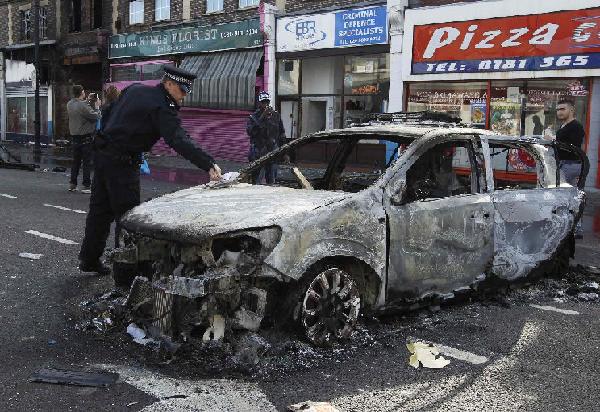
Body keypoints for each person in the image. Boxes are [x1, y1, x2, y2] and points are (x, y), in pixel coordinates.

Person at [78, 65, 222, 275]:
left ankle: (89, 259)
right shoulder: (162, 106)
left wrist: (109, 136)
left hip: (102, 156)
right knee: (128, 220)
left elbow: (108, 111)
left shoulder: (135, 89)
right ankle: (126, 275)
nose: (183, 96)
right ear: (169, 83)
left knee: (99, 212)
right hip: (122, 163)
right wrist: (208, 163)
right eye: (182, 90)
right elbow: (178, 139)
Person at [246, 91, 286, 184]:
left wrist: (284, 152)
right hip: (258, 152)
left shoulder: (276, 115)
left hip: (272, 151)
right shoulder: (253, 117)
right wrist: (262, 118)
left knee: (272, 179)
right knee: (256, 180)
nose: (265, 104)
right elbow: (250, 132)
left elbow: (282, 133)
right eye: (263, 102)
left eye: (267, 102)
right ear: (259, 103)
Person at [67, 85, 101, 193]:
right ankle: (86, 185)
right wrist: (97, 106)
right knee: (87, 162)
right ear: (82, 92)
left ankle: (72, 184)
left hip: (74, 137)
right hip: (85, 137)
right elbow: (96, 116)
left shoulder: (70, 104)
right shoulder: (83, 105)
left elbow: (81, 107)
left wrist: (87, 100)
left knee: (75, 161)